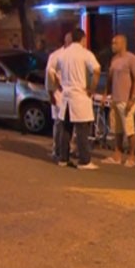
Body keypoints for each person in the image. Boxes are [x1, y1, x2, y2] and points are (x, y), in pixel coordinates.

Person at [52, 28, 101, 170]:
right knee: (82, 131)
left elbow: (52, 72)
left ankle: (63, 158)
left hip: (66, 97)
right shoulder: (85, 54)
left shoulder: (63, 54)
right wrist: (92, 89)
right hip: (80, 96)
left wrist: (59, 86)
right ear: (83, 39)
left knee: (66, 129)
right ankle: (84, 161)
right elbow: (97, 71)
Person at [101, 34, 135, 168]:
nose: (113, 45)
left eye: (115, 43)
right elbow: (110, 78)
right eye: (112, 43)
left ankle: (131, 157)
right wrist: (105, 95)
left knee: (129, 129)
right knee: (116, 129)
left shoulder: (131, 59)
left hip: (126, 100)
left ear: (123, 44)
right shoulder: (114, 60)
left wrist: (133, 98)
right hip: (115, 99)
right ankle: (117, 155)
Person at [45, 32, 72, 162]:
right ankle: (57, 150)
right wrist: (51, 93)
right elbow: (49, 74)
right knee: (59, 123)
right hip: (58, 94)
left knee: (69, 123)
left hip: (71, 95)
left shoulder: (74, 56)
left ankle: (66, 149)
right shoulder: (56, 56)